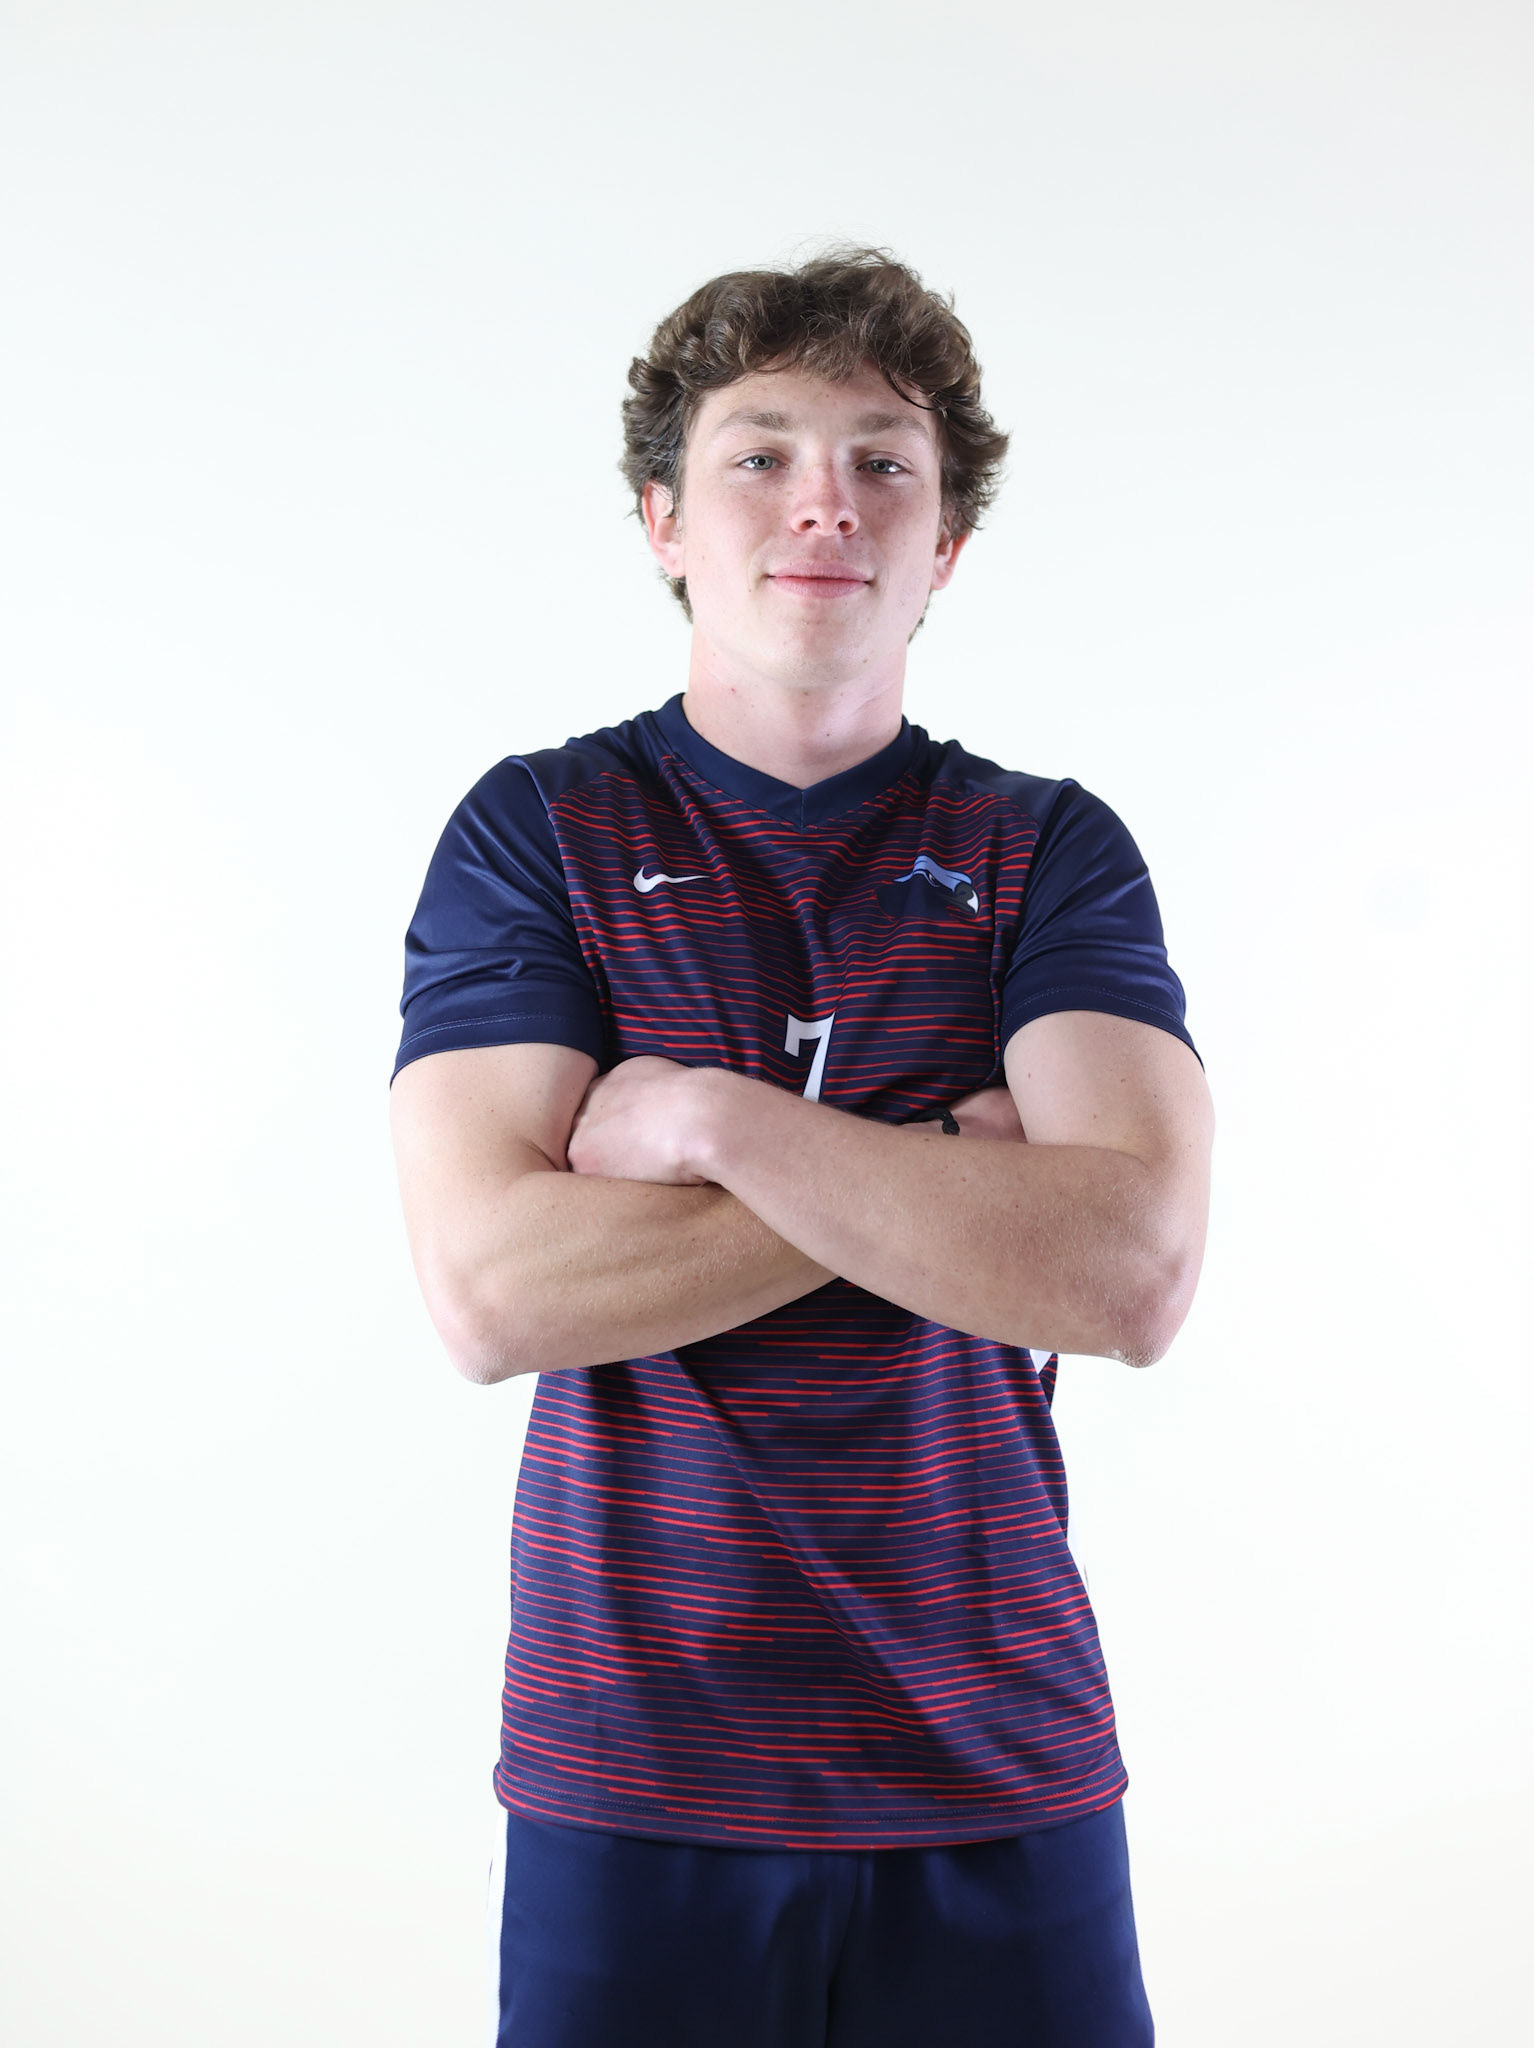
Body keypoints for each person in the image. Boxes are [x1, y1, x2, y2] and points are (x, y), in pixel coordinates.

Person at [389, 247, 1213, 2048]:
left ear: (947, 548)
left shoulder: (1047, 852)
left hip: (994, 1749)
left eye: (883, 460)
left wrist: (713, 1123)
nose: (823, 501)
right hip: (638, 1757)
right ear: (662, 521)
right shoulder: (539, 832)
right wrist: (952, 1166)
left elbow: (1125, 1273)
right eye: (758, 454)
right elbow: (494, 1289)